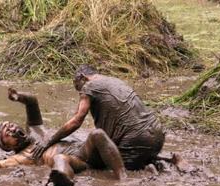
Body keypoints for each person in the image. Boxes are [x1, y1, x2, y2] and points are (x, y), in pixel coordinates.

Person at [0, 88, 127, 186]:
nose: (12, 130)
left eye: (10, 125)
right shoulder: (20, 157)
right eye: (7, 134)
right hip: (77, 162)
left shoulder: (35, 130)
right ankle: (62, 179)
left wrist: (18, 96)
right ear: (7, 147)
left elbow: (32, 102)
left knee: (97, 134)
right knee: (59, 158)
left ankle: (123, 178)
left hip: (85, 149)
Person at [32, 65, 165, 170]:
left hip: (136, 139)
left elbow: (76, 121)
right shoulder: (114, 80)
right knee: (138, 156)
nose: (79, 91)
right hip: (157, 134)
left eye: (77, 85)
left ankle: (147, 168)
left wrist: (49, 141)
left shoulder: (89, 86)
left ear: (83, 78)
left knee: (105, 167)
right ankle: (167, 160)